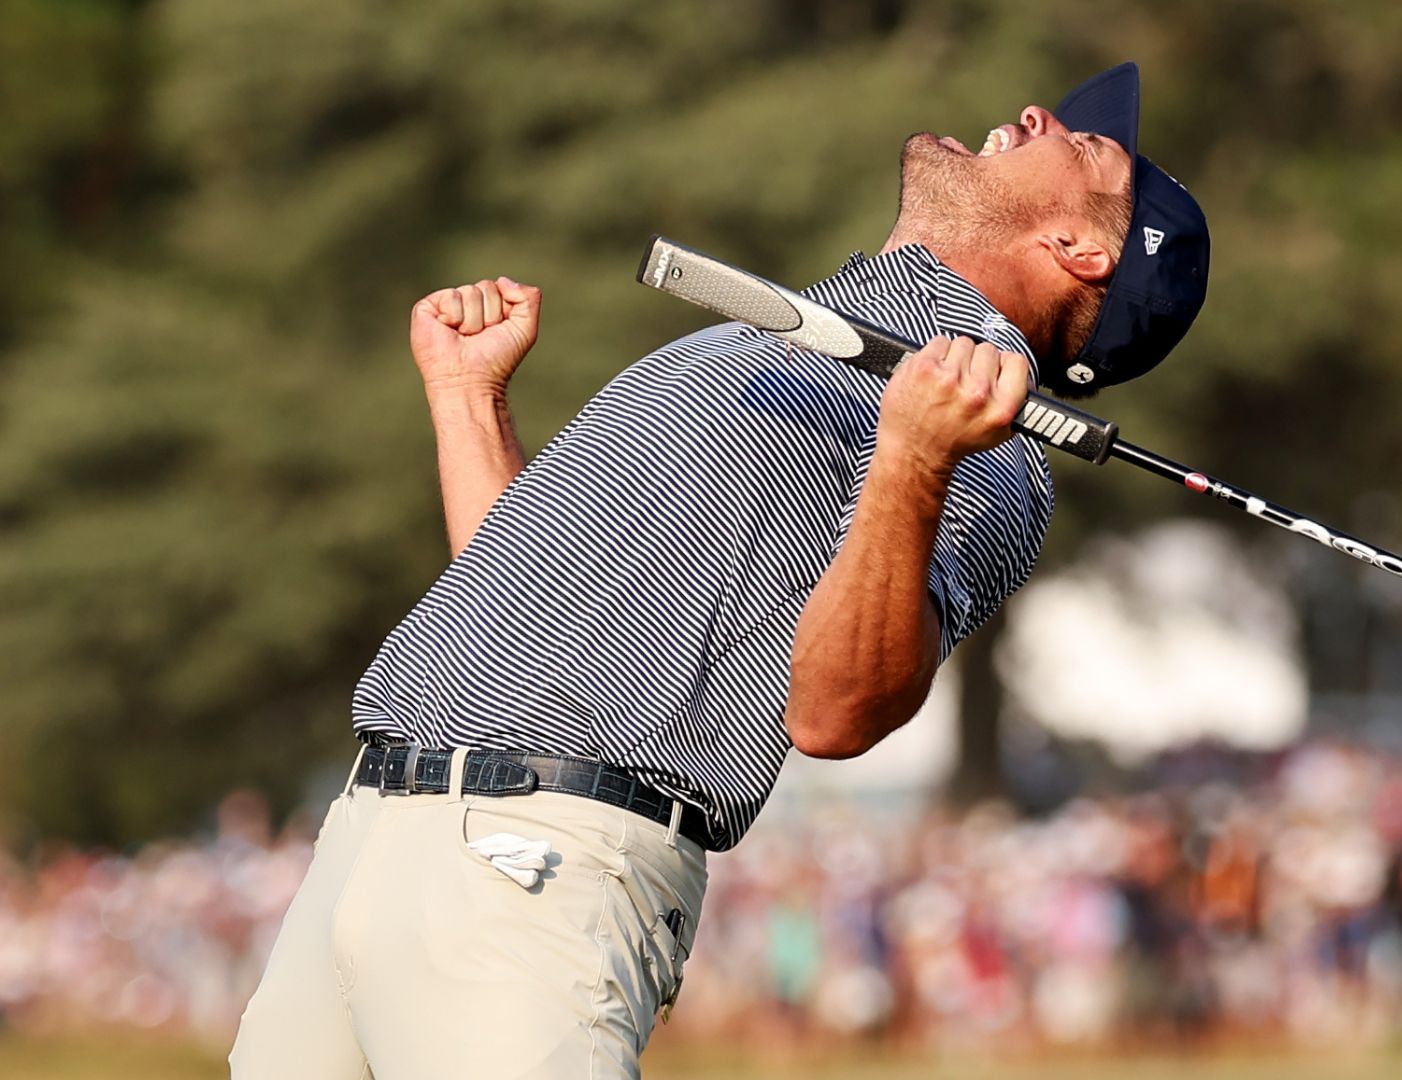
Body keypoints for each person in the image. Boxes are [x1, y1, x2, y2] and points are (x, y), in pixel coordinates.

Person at [229, 62, 1207, 1078]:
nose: (1041, 115)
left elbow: (837, 716)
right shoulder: (756, 340)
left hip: (540, 866)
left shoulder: (990, 455)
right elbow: (519, 606)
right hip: (369, 841)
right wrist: (468, 403)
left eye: (1087, 149)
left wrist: (915, 457)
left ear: (1080, 250)